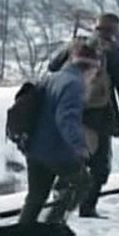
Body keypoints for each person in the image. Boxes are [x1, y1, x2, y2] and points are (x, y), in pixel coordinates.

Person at [48, 12, 119, 218]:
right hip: (99, 117)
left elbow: (53, 66)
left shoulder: (76, 45)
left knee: (73, 158)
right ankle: (87, 207)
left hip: (71, 111)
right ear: (114, 31)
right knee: (100, 165)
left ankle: (60, 201)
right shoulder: (114, 54)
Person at [18, 38, 102, 224]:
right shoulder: (74, 85)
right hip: (56, 150)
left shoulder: (52, 78)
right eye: (95, 72)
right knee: (83, 183)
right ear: (90, 68)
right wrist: (79, 147)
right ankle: (52, 225)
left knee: (36, 197)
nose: (94, 77)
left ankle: (20, 234)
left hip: (35, 148)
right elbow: (67, 119)